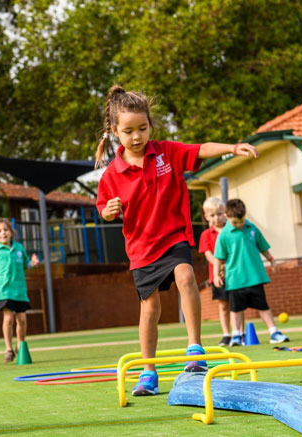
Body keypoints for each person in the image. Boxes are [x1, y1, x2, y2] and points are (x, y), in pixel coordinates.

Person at [94, 85, 259, 396]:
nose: (137, 136)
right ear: (116, 131)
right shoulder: (112, 174)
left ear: (150, 125)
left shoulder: (166, 152)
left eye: (143, 128)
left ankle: (195, 349)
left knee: (186, 276)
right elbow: (104, 209)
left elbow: (200, 149)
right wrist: (108, 211)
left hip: (173, 236)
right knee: (150, 308)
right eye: (128, 131)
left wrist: (232, 147)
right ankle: (148, 371)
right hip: (141, 248)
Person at [213, 199, 289, 346]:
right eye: (235, 222)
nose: (239, 225)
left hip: (255, 277)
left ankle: (274, 332)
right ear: (227, 217)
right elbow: (218, 257)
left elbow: (262, 246)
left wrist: (271, 259)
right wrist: (216, 275)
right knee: (236, 309)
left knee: (263, 307)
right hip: (235, 280)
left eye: (241, 221)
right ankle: (236, 336)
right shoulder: (224, 235)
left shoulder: (252, 228)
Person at [0, 218, 39, 362]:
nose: (3, 233)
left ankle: (20, 345)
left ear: (11, 233)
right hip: (4, 290)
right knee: (8, 318)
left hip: (19, 291)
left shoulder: (19, 248)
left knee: (22, 319)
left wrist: (33, 263)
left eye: (6, 230)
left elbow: (26, 264)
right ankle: (8, 349)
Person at [198, 196, 231, 346]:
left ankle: (239, 333)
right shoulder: (205, 235)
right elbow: (208, 254)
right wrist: (220, 267)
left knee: (237, 305)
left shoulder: (231, 230)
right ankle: (227, 334)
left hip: (234, 273)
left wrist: (228, 265)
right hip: (217, 276)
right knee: (223, 305)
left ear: (224, 213)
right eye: (212, 215)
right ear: (206, 217)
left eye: (219, 214)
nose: (216, 218)